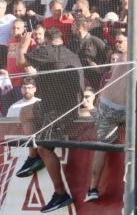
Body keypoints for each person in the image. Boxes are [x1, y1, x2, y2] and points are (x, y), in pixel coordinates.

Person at [14, 28, 82, 214]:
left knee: (46, 147)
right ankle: (33, 158)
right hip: (51, 103)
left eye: (39, 37)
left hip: (60, 109)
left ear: (47, 40)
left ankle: (60, 194)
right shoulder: (71, 54)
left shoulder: (48, 51)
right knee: (25, 112)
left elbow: (20, 61)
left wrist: (25, 44)